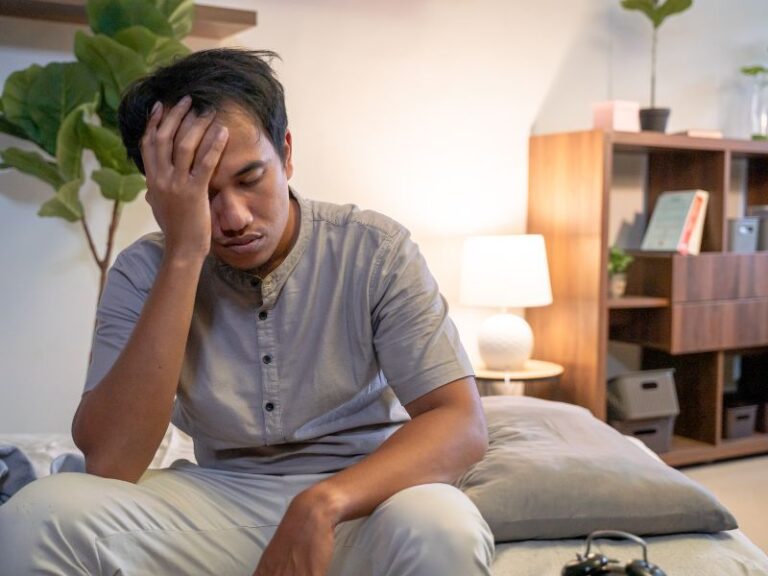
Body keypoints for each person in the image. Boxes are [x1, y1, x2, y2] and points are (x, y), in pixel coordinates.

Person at [0, 48, 494, 575]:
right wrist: (184, 252)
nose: (232, 218)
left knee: (445, 525)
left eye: (249, 178)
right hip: (217, 502)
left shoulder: (375, 249)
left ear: (285, 153)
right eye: (202, 194)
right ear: (160, 193)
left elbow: (460, 423)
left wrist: (323, 502)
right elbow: (112, 461)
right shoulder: (142, 271)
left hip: (367, 499)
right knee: (35, 517)